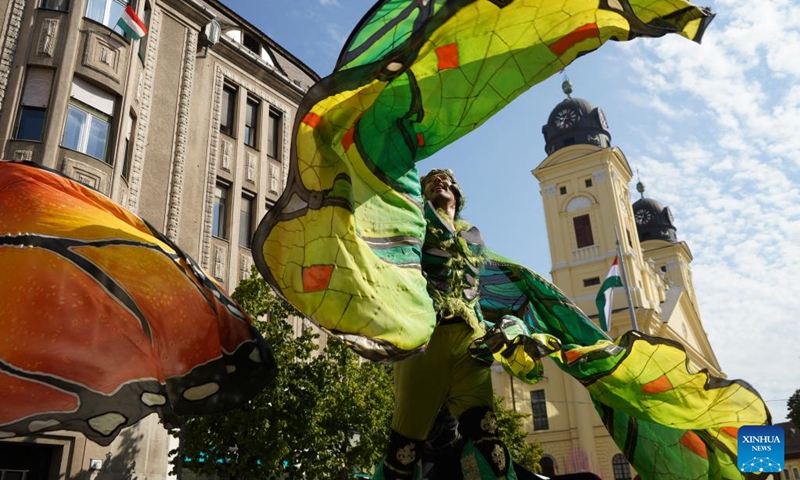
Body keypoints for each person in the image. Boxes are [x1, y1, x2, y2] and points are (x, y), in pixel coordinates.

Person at [376, 169, 515, 480]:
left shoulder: (473, 236)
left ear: (458, 193)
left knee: (488, 439)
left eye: (446, 180)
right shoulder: (412, 220)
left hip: (472, 343)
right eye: (431, 181)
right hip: (426, 338)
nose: (440, 182)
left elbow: (486, 287)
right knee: (404, 447)